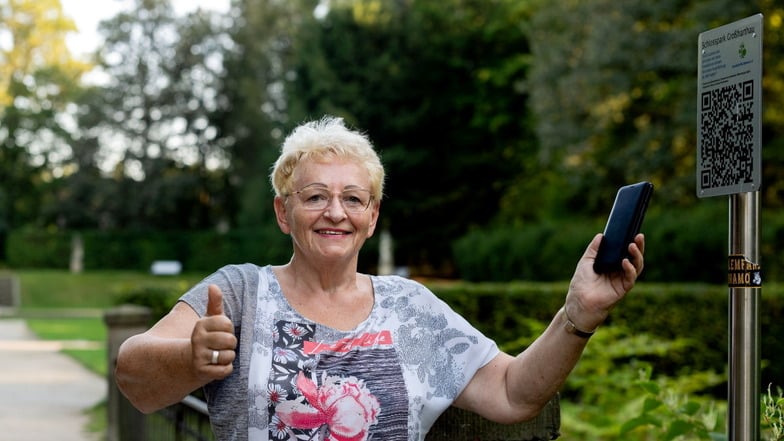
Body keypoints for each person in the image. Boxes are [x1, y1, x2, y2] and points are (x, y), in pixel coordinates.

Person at [115, 115, 646, 441]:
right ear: (283, 213)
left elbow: (512, 392)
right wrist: (189, 358)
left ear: (372, 217)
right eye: (315, 196)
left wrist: (578, 316)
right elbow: (133, 375)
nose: (335, 212)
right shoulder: (237, 292)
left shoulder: (410, 308)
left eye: (353, 198)